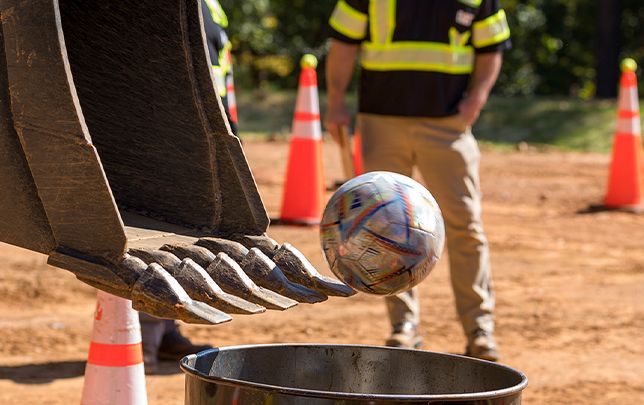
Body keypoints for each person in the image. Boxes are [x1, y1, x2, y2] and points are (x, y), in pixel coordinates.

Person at [324, 0, 510, 361]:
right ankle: (403, 325)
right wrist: (334, 101)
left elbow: (492, 48)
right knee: (385, 229)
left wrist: (476, 99)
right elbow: (343, 43)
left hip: (448, 127)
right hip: (381, 123)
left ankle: (479, 329)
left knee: (465, 228)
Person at [140, 0, 236, 373]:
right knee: (150, 243)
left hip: (203, 135)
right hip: (165, 134)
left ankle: (164, 332)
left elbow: (217, 73)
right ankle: (139, 344)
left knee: (179, 243)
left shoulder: (210, 6)